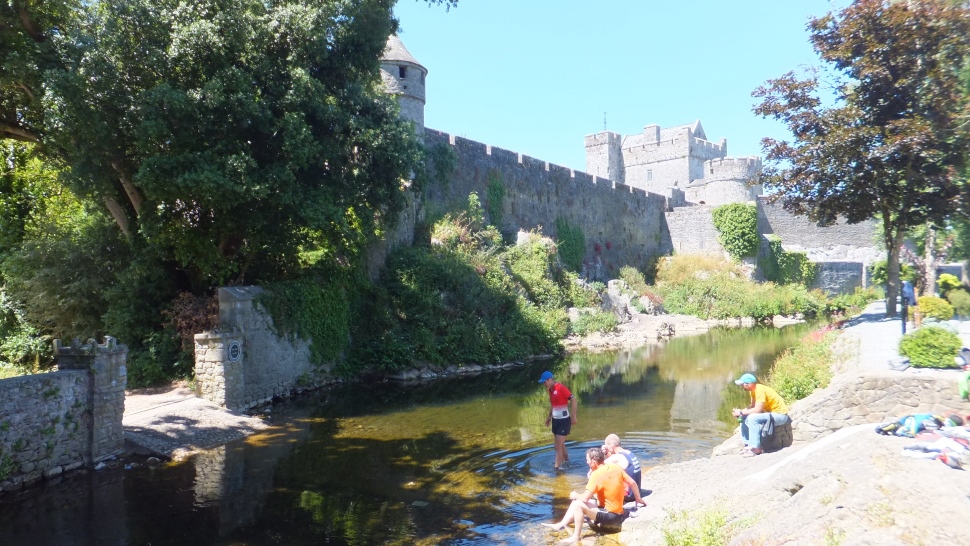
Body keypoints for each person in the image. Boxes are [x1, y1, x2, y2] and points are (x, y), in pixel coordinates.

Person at [541, 447, 646, 544]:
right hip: (614, 510)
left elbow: (585, 498)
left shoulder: (595, 474)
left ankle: (576, 537)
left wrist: (575, 494)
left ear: (594, 461)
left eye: (587, 460)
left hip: (611, 516)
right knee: (576, 503)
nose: (586, 462)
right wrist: (638, 498)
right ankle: (561, 525)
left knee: (578, 505)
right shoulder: (614, 467)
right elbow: (632, 483)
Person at [731, 373, 790, 456]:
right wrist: (740, 412)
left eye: (742, 384)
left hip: (780, 415)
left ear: (749, 384)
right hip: (770, 415)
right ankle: (748, 445)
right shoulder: (752, 391)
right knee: (744, 416)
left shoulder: (760, 390)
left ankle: (756, 449)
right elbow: (752, 407)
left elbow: (758, 410)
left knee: (752, 418)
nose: (741, 386)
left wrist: (741, 412)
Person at [539, 370, 578, 470]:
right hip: (555, 421)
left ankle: (557, 470)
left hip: (564, 421)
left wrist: (573, 416)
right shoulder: (550, 390)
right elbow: (553, 405)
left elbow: (573, 399)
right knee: (561, 445)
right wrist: (549, 417)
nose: (544, 384)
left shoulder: (560, 387)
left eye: (544, 382)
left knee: (557, 446)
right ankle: (567, 463)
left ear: (550, 379)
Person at [602, 434, 642, 503]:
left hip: (628, 496)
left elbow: (598, 467)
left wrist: (604, 454)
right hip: (637, 492)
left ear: (609, 446)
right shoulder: (628, 452)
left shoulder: (617, 457)